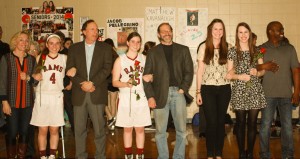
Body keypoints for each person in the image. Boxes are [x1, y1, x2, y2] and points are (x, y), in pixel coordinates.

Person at [143, 23, 194, 159]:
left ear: (172, 32)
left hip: (178, 93)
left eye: (169, 30)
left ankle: (178, 157)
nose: (166, 33)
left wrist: (183, 88)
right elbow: (146, 76)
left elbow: (189, 72)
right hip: (160, 95)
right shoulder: (153, 52)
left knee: (182, 130)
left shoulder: (183, 50)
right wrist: (150, 97)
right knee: (160, 131)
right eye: (163, 31)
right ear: (159, 35)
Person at [66, 19, 113, 159]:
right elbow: (70, 70)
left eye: (96, 29)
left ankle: (100, 156)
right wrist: (83, 83)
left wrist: (92, 83)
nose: (95, 32)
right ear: (84, 32)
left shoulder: (105, 48)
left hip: (96, 92)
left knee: (99, 129)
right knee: (79, 129)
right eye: (92, 29)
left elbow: (107, 69)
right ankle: (80, 156)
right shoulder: (74, 48)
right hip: (79, 93)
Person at [226, 22, 267, 158]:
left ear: (249, 33)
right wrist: (240, 76)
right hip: (239, 90)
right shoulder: (232, 51)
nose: (243, 35)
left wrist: (257, 72)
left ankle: (249, 153)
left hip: (254, 89)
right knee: (241, 122)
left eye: (245, 32)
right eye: (240, 32)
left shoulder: (257, 50)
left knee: (252, 123)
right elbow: (229, 74)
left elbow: (263, 71)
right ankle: (241, 153)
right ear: (237, 35)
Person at [259, 21, 299, 159]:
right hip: (267, 95)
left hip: (286, 95)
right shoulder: (261, 49)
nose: (282, 31)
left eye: (282, 29)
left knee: (287, 127)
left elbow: (296, 71)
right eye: (279, 29)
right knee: (265, 126)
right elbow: (252, 68)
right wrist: (264, 66)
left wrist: (297, 92)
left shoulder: (290, 49)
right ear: (270, 31)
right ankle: (264, 155)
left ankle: (288, 154)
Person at [112, 32, 151, 159]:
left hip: (141, 97)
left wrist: (150, 77)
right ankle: (128, 154)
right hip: (125, 98)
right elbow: (114, 82)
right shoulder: (120, 60)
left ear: (140, 45)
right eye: (133, 41)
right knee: (127, 129)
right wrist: (124, 84)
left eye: (138, 42)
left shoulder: (144, 59)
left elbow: (152, 76)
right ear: (127, 43)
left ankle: (140, 155)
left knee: (140, 129)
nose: (135, 44)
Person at [196, 19, 231, 159]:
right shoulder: (203, 47)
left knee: (220, 122)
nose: (218, 32)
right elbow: (199, 71)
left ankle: (219, 153)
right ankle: (210, 153)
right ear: (210, 31)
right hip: (207, 89)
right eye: (215, 29)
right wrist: (198, 91)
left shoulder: (229, 47)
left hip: (224, 89)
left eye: (220, 29)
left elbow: (231, 70)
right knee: (211, 122)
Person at [0, 30, 36, 159]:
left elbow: (36, 80)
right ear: (15, 41)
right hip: (11, 102)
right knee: (12, 131)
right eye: (21, 40)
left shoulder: (31, 59)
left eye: (26, 40)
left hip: (27, 102)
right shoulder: (6, 58)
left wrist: (28, 78)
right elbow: (2, 82)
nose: (24, 43)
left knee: (25, 132)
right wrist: (4, 102)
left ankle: (21, 156)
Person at [30, 34, 66, 159]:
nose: (54, 46)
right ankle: (42, 155)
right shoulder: (40, 58)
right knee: (43, 130)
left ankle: (51, 155)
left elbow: (71, 74)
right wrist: (34, 77)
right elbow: (32, 78)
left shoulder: (64, 58)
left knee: (54, 130)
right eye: (51, 43)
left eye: (57, 43)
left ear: (60, 45)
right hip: (42, 96)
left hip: (56, 96)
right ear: (47, 45)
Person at [104, 38, 119, 130]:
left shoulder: (105, 55)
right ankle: (113, 121)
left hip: (106, 80)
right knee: (113, 102)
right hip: (115, 81)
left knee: (105, 102)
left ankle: (110, 119)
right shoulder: (116, 55)